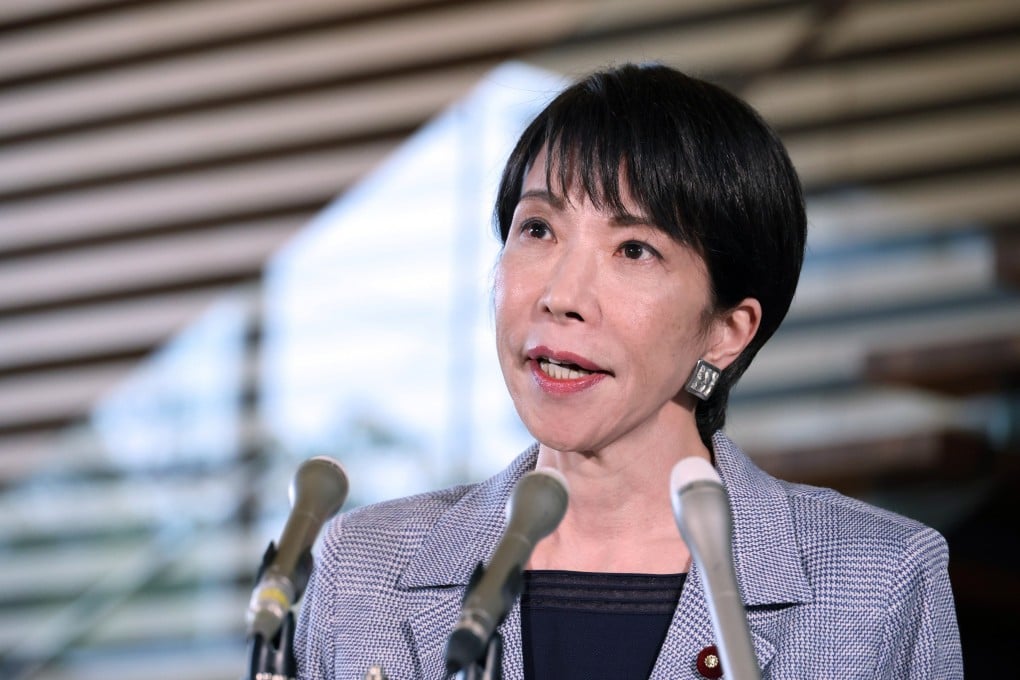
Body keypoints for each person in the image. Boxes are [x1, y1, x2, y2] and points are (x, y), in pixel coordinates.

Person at [294, 63, 963, 679]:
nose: (562, 294)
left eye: (634, 249)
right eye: (538, 230)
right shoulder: (363, 568)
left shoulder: (879, 580)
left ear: (727, 331)